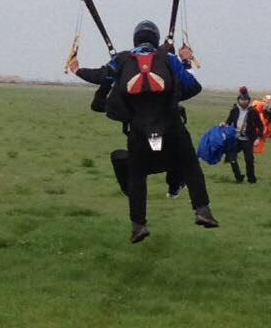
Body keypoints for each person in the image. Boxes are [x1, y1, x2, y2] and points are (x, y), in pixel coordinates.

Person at [71, 20, 218, 242]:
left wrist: (77, 69)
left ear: (136, 39)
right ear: (156, 39)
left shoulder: (123, 60)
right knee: (190, 164)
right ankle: (202, 210)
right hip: (170, 125)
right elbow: (192, 86)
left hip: (139, 128)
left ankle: (138, 225)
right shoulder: (168, 59)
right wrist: (185, 61)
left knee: (137, 175)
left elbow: (101, 77)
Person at [224, 87, 264, 183]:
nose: (243, 102)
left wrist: (258, 138)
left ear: (248, 100)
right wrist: (224, 125)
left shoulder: (253, 111)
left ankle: (251, 179)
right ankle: (238, 177)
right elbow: (228, 122)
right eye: (241, 99)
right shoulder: (234, 110)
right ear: (239, 100)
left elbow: (260, 126)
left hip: (248, 139)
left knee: (249, 159)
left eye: (245, 100)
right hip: (236, 138)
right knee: (231, 156)